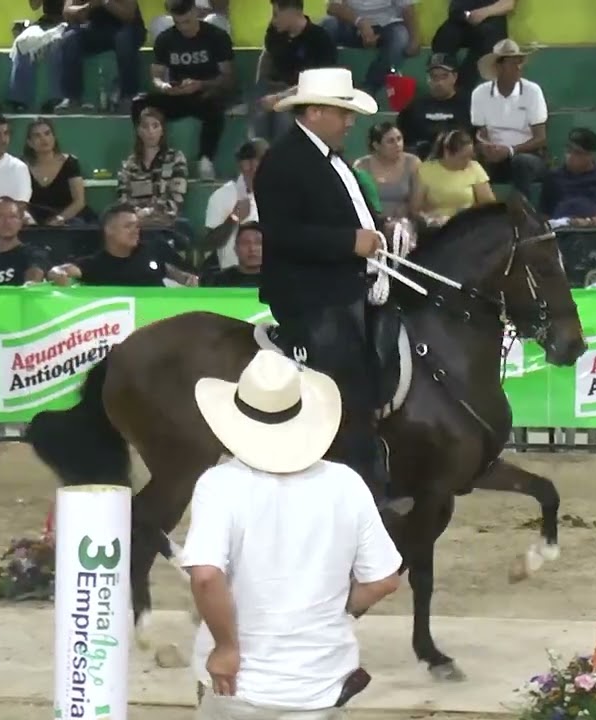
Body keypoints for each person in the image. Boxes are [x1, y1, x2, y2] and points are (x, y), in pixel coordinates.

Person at [181, 348, 402, 718]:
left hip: (239, 688)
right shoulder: (346, 483)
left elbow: (205, 577)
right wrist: (340, 609)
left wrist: (226, 647)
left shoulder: (219, 485)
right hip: (321, 685)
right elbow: (384, 580)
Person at [253, 67, 412, 518]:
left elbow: (349, 216)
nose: (350, 122)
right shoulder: (284, 162)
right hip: (312, 293)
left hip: (347, 282)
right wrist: (350, 242)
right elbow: (282, 235)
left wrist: (381, 233)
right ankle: (365, 494)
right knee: (347, 384)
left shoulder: (331, 159)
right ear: (317, 111)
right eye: (344, 113)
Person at [138, 0, 235, 181]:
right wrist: (164, 87)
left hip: (205, 93)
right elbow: (156, 77)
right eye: (178, 23)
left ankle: (206, 159)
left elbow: (227, 79)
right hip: (177, 95)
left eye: (187, 22)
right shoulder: (166, 39)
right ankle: (151, 157)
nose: (183, 28)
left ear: (195, 12)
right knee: (139, 104)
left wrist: (201, 84)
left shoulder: (216, 37)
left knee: (214, 105)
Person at [470, 39, 547, 200]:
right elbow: (480, 133)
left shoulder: (532, 91)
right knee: (475, 162)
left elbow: (540, 138)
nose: (519, 67)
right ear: (498, 67)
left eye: (520, 62)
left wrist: (510, 150)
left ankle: (523, 213)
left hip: (528, 155)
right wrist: (486, 147)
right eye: (513, 63)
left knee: (521, 163)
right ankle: (483, 214)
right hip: (494, 154)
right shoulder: (480, 93)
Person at [253, 0, 339, 142]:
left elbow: (320, 81)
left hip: (303, 96)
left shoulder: (319, 39)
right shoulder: (275, 32)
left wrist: (280, 97)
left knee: (282, 113)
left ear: (292, 12)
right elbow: (267, 55)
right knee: (259, 106)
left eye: (276, 14)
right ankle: (260, 154)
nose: (273, 20)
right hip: (275, 90)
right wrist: (261, 86)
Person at [47, 202, 189, 286]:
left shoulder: (154, 250)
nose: (136, 231)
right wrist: (56, 273)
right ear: (109, 230)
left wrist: (184, 278)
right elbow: (63, 270)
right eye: (128, 226)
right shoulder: (96, 264)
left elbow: (174, 272)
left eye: (137, 226)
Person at [56, 0, 146, 113]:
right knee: (70, 38)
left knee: (123, 40)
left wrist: (105, 2)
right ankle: (72, 98)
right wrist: (88, 6)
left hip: (128, 28)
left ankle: (128, 96)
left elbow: (128, 15)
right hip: (96, 29)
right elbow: (67, 12)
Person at [321, 0, 421, 98]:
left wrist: (415, 38)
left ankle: (369, 88)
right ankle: (328, 82)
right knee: (328, 26)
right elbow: (333, 7)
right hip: (351, 23)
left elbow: (407, 8)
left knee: (401, 36)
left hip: (387, 25)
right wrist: (360, 22)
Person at [202, 138, 267, 271]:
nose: (254, 167)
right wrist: (234, 218)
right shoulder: (221, 196)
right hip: (232, 278)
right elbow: (209, 245)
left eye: (259, 161)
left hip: (273, 277)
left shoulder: (283, 195)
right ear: (240, 165)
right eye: (248, 161)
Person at [537, 128, 596, 229]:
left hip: (591, 231)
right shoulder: (553, 177)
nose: (570, 156)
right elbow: (544, 215)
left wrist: (588, 222)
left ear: (591, 155)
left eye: (577, 153)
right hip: (560, 231)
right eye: (568, 150)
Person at [410, 128, 494, 223]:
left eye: (470, 156)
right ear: (447, 153)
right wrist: (429, 219)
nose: (468, 161)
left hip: (467, 224)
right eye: (463, 158)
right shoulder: (426, 170)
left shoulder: (475, 168)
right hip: (436, 226)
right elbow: (416, 209)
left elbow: (489, 206)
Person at [429, 0, 516, 92]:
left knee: (486, 43)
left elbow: (508, 4)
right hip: (461, 18)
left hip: (491, 21)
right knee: (444, 37)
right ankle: (442, 86)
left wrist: (483, 13)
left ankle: (462, 90)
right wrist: (467, 15)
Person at [395, 53, 470, 158]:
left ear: (455, 77)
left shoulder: (468, 104)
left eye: (444, 76)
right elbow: (403, 141)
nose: (439, 82)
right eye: (434, 77)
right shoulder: (415, 106)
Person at [23, 117, 90, 225]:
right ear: (30, 143)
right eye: (37, 136)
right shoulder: (22, 166)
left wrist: (59, 218)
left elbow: (79, 201)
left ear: (54, 137)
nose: (44, 139)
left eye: (47, 133)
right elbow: (19, 202)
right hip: (34, 220)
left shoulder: (70, 162)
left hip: (68, 217)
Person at [353, 121, 419, 219]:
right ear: (376, 145)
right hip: (371, 221)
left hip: (404, 222)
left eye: (399, 139)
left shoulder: (413, 163)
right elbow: (357, 202)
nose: (398, 144)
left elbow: (417, 203)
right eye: (391, 141)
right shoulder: (361, 166)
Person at [0, 196, 46, 284]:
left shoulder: (32, 253)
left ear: (20, 223)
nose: (7, 221)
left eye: (13, 217)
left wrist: (32, 282)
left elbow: (35, 273)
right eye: (0, 216)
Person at [200, 221, 262, 287]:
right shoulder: (216, 281)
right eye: (245, 243)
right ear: (236, 249)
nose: (252, 248)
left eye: (258, 243)